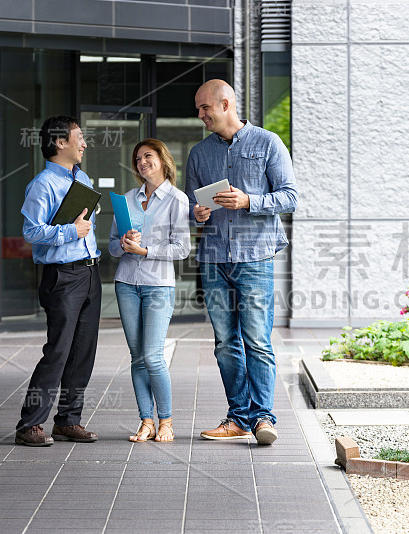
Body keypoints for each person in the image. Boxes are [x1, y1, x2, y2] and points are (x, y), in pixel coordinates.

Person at [186, 79, 297, 445]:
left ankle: (263, 418)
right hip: (214, 257)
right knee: (224, 343)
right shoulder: (199, 154)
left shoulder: (267, 143)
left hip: (256, 257)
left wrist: (250, 201)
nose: (200, 114)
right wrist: (197, 213)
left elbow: (290, 197)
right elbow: (189, 205)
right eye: (199, 108)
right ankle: (238, 418)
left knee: (257, 340)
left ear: (226, 103)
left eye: (205, 107)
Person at [15, 115, 101, 447]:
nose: (84, 143)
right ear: (59, 143)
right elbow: (31, 232)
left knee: (82, 353)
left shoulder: (84, 179)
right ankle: (30, 425)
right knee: (58, 351)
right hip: (62, 277)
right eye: (78, 137)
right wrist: (70, 231)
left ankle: (68, 421)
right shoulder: (43, 184)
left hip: (90, 272)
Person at [109, 139, 190, 443]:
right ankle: (146, 421)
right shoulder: (127, 199)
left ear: (162, 160)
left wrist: (145, 250)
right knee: (137, 357)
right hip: (126, 283)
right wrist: (123, 243)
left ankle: (166, 421)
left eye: (148, 156)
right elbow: (112, 246)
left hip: (158, 286)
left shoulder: (177, 199)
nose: (142, 162)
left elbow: (182, 248)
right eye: (138, 158)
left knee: (153, 356)